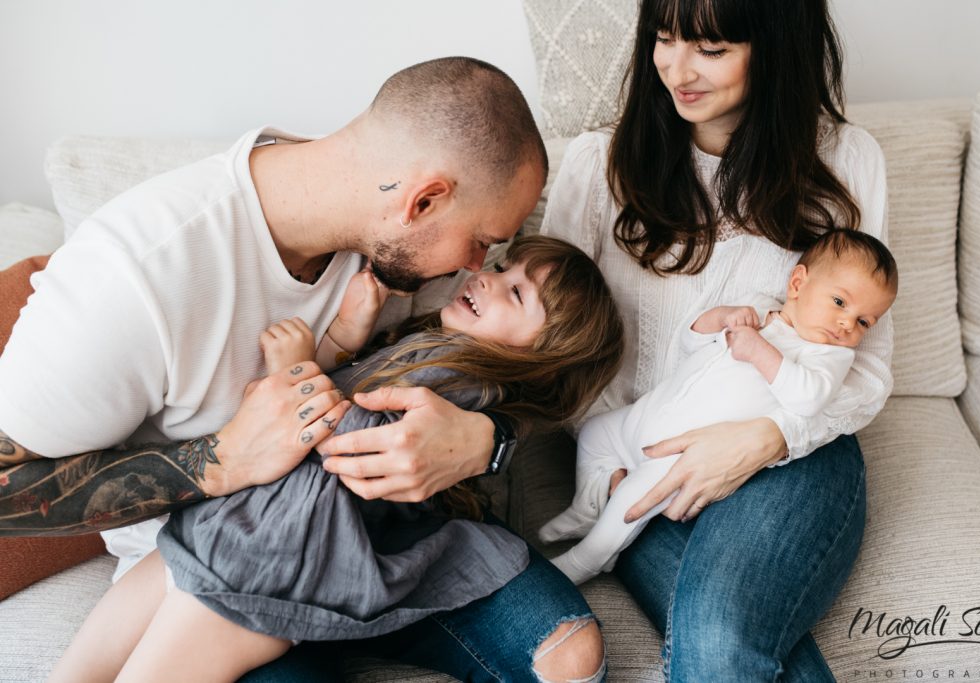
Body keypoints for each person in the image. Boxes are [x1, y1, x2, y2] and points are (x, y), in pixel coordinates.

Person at [0, 58, 608, 682]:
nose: (477, 267)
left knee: (567, 648)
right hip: (240, 558)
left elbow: (524, 371)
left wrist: (485, 442)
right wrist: (219, 458)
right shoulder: (132, 279)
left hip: (387, 543)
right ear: (423, 201)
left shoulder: (414, 262)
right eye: (482, 241)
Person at [48, 235, 625, 683]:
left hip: (272, 565)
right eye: (503, 268)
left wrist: (295, 372)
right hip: (225, 530)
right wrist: (346, 337)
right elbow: (349, 391)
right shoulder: (435, 342)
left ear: (543, 356)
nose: (490, 281)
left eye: (518, 294)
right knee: (77, 670)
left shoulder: (469, 383)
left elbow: (354, 444)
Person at [540, 0, 892, 678]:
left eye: (710, 47)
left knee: (723, 633)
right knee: (722, 645)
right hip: (649, 460)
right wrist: (605, 456)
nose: (676, 69)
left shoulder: (847, 161)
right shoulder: (595, 169)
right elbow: (551, 347)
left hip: (796, 452)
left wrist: (765, 438)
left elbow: (868, 367)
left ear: (775, 47)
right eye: (664, 38)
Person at [541, 230, 897, 584]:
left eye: (864, 322)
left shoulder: (827, 356)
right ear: (798, 284)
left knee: (635, 497)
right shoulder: (755, 307)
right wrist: (722, 317)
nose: (847, 324)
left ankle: (588, 559)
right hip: (645, 415)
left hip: (686, 452)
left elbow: (809, 398)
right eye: (839, 302)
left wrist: (760, 351)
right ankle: (586, 506)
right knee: (594, 432)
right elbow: (690, 340)